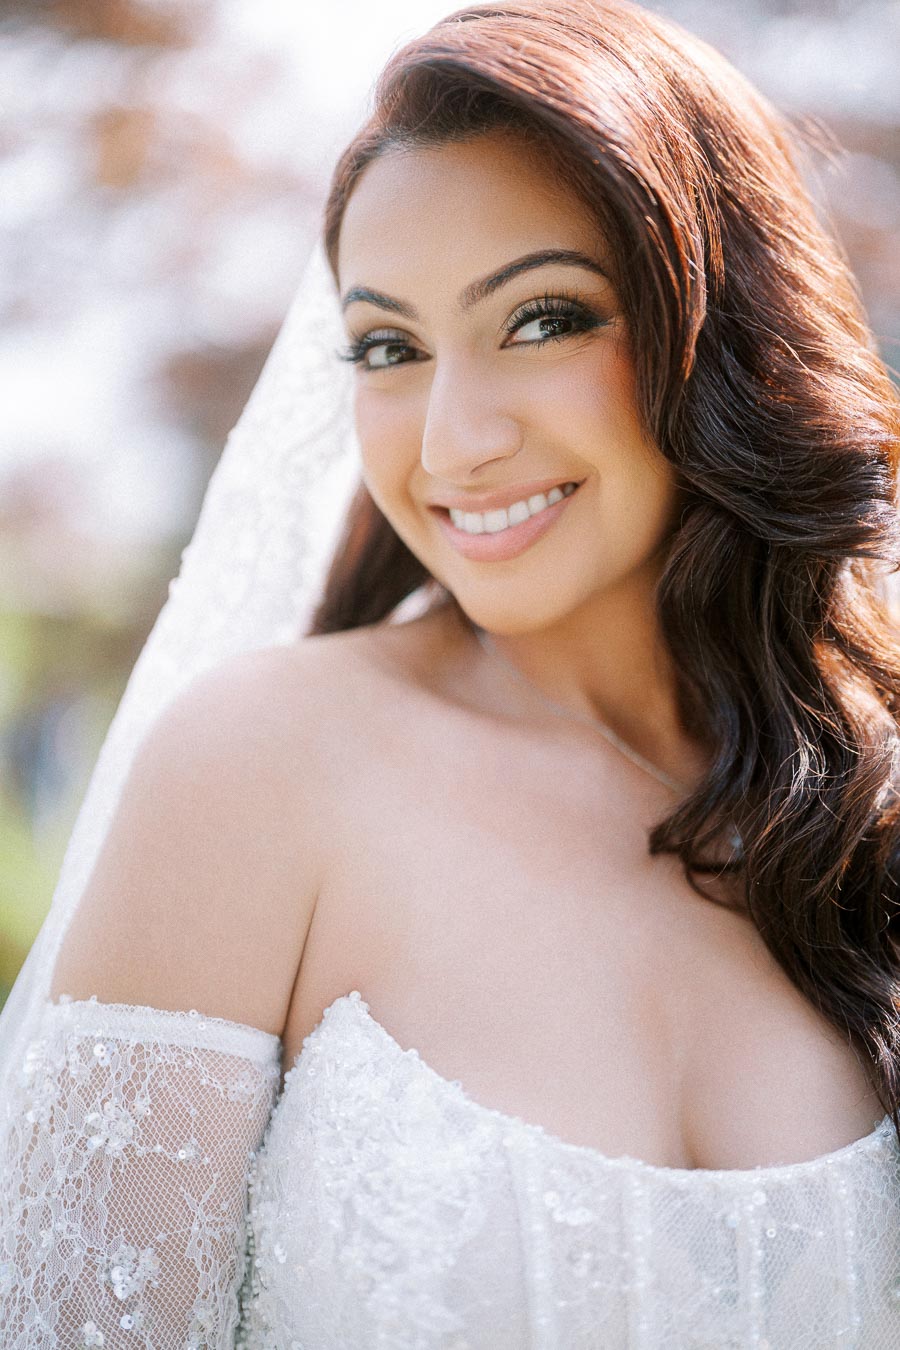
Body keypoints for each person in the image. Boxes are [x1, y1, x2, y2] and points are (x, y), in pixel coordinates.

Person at [3, 0, 900, 1344]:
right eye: (390, 347)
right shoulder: (260, 769)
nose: (454, 439)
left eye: (541, 318)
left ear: (718, 331)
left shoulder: (861, 801)